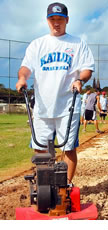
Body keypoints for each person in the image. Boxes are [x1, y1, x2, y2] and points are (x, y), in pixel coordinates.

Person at [16, 2, 95, 184]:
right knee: (40, 149)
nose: (56, 23)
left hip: (68, 105)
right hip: (43, 108)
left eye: (60, 19)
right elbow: (26, 67)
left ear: (67, 20)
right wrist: (22, 79)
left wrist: (79, 80)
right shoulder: (38, 44)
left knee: (68, 148)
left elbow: (87, 69)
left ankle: (65, 187)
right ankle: (46, 183)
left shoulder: (77, 43)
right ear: (47, 20)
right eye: (52, 19)